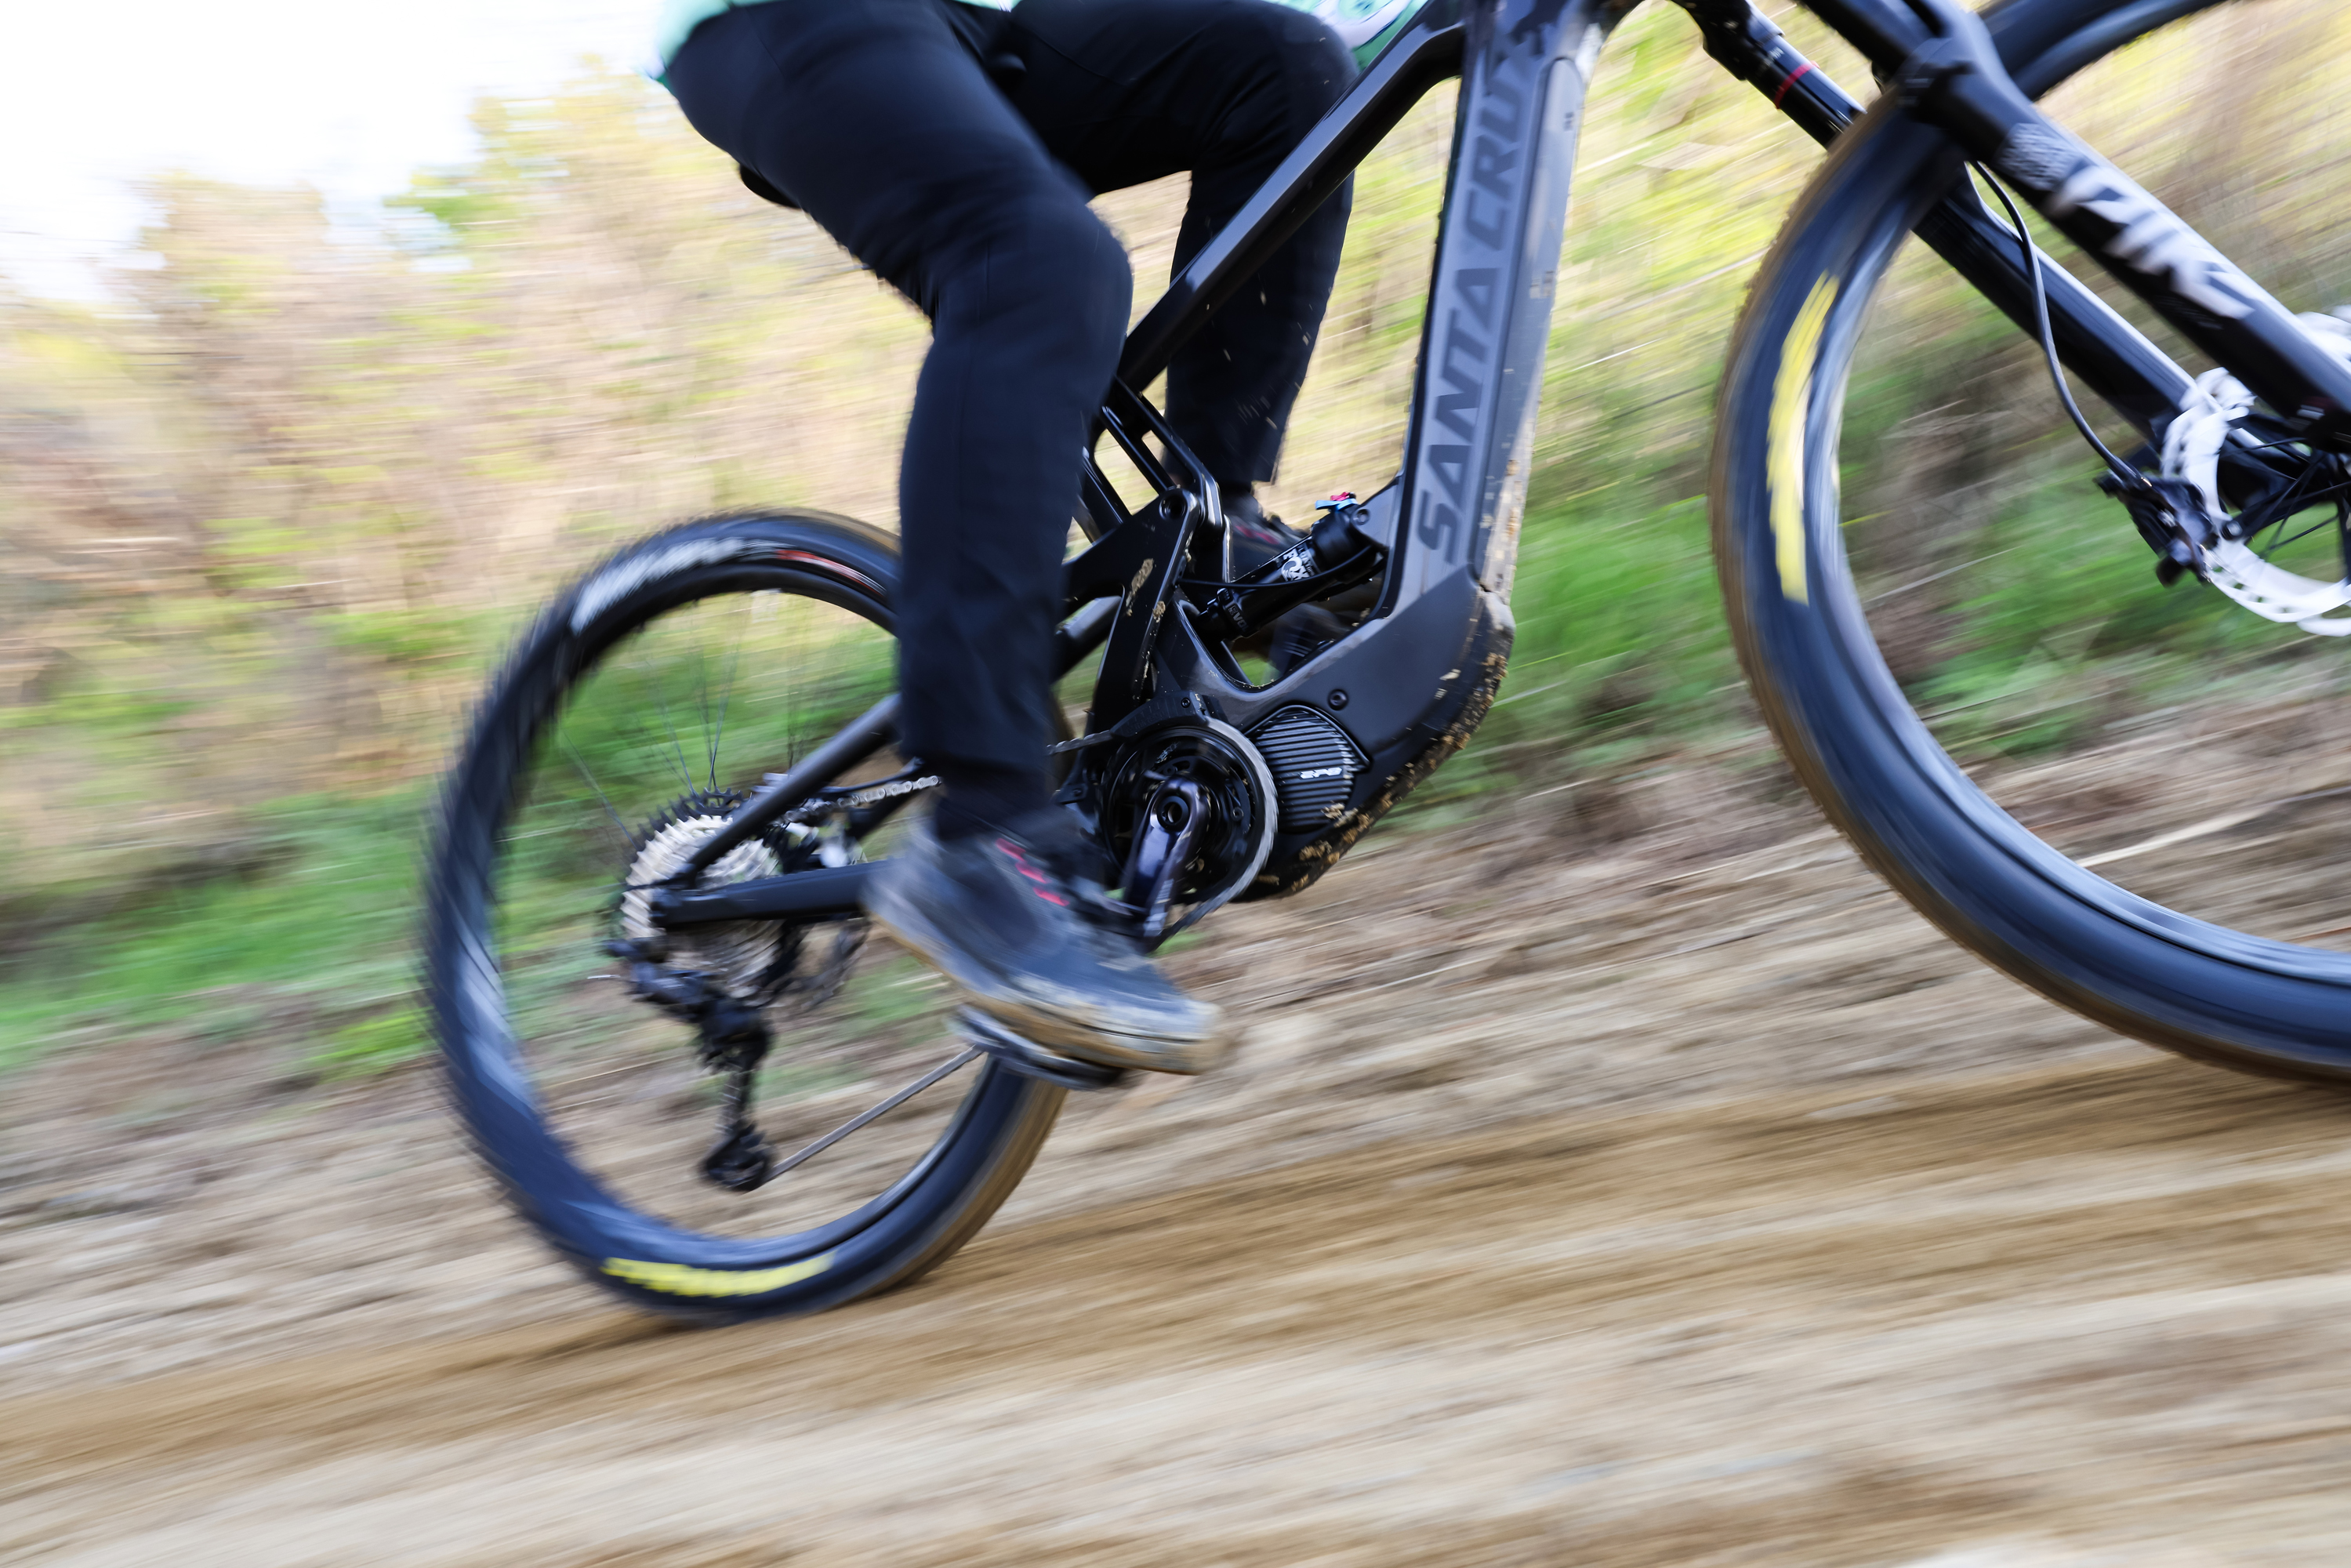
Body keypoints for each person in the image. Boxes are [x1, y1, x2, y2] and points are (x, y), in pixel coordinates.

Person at [656, 0, 1377, 1074]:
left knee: (1299, 74)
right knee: (1038, 263)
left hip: (985, 26)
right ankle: (982, 835)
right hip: (790, 24)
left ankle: (1222, 522)